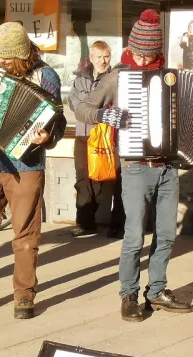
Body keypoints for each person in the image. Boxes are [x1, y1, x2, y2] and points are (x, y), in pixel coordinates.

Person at [75, 9, 193, 322]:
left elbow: (191, 119)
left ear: (157, 51)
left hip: (168, 168)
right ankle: (128, 294)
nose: (141, 62)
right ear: (130, 48)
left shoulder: (170, 78)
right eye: (137, 54)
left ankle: (156, 290)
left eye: (148, 55)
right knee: (133, 236)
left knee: (167, 233)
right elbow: (82, 107)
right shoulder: (118, 77)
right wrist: (104, 116)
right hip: (135, 167)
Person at [0, 22, 66, 319]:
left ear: (22, 54)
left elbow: (56, 122)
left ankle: (24, 294)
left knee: (26, 236)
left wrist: (48, 137)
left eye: (8, 58)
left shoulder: (47, 77)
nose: (1, 62)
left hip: (27, 165)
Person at [68, 40, 125, 238]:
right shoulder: (80, 79)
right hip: (84, 135)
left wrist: (94, 108)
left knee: (102, 178)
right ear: (91, 58)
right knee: (83, 179)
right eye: (99, 57)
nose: (103, 60)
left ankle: (117, 225)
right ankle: (85, 223)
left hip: (107, 136)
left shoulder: (114, 79)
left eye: (106, 56)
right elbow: (75, 105)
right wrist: (94, 110)